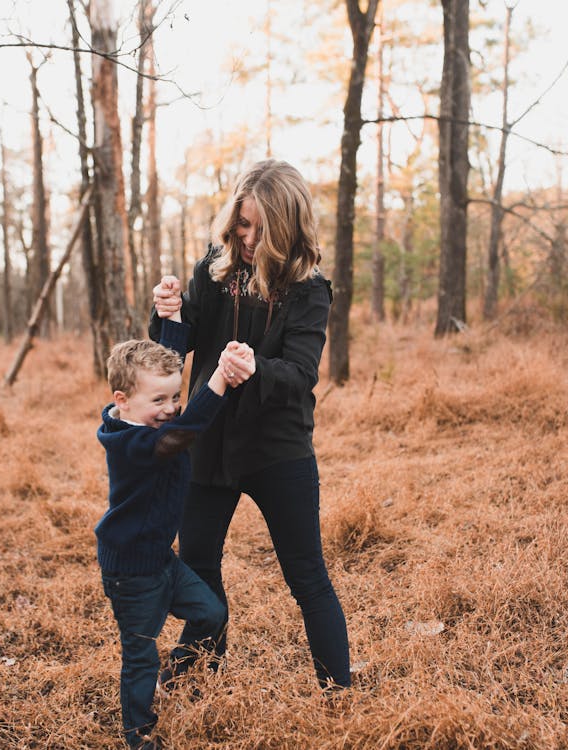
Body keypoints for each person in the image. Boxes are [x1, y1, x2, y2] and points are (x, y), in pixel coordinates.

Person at [150, 158, 351, 690]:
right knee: (196, 563)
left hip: (276, 448)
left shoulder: (308, 289)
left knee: (307, 579)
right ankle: (204, 664)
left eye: (262, 230)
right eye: (242, 224)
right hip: (208, 441)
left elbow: (302, 374)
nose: (248, 238)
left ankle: (340, 695)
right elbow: (177, 349)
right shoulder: (215, 270)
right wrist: (168, 314)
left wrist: (256, 367)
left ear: (288, 228)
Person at [95, 319, 253, 749]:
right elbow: (184, 433)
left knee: (211, 614)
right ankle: (138, 734)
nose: (170, 407)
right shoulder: (134, 445)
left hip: (162, 560)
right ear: (121, 401)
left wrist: (174, 321)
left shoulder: (145, 419)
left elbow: (168, 365)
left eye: (176, 397)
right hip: (132, 572)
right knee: (140, 653)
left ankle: (175, 673)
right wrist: (220, 378)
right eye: (159, 400)